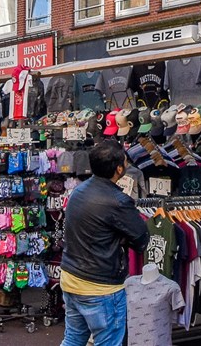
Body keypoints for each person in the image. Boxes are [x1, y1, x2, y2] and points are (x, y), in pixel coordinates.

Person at [59, 140, 149, 346]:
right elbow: (141, 239)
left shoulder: (78, 192)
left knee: (73, 338)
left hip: (71, 277)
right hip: (100, 286)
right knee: (108, 341)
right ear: (119, 168)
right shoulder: (118, 200)